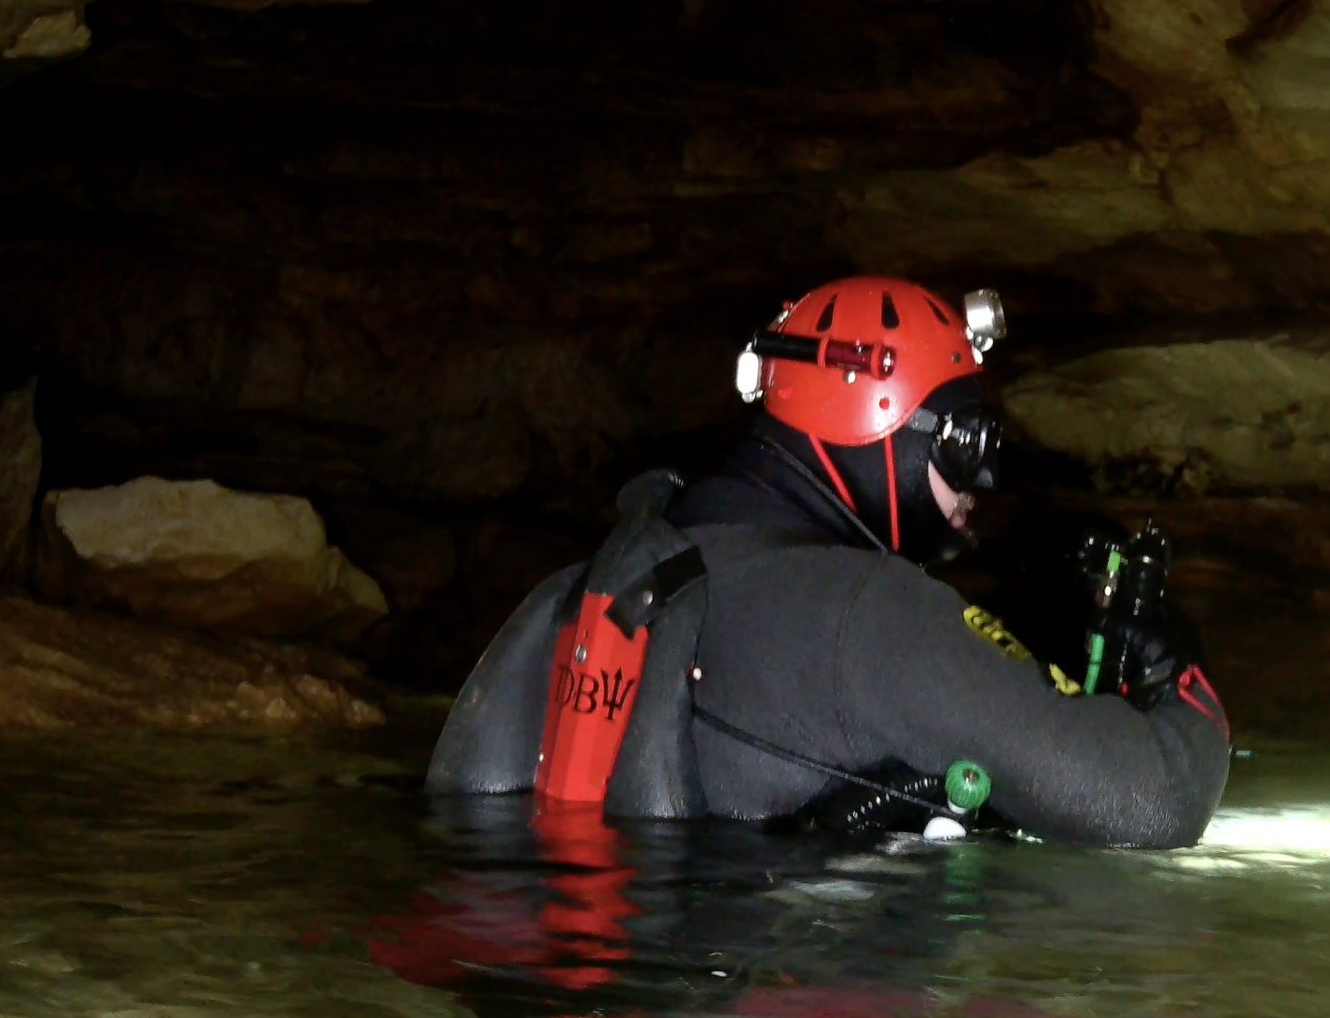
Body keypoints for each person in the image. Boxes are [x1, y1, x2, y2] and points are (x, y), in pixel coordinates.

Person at [426, 275, 1229, 847]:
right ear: (873, 419)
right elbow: (1148, 802)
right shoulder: (868, 612)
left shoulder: (605, 583)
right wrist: (1179, 683)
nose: (985, 476)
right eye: (965, 440)